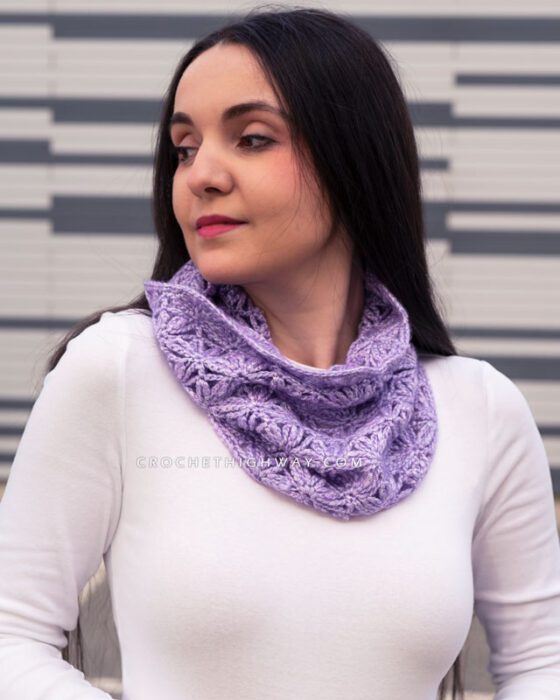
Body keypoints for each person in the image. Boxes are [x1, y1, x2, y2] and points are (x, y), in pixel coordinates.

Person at [1, 6, 559, 699]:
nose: (201, 174)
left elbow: (542, 663)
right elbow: (11, 635)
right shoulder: (117, 370)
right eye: (184, 148)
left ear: (353, 158)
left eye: (253, 139)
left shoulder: (479, 408)